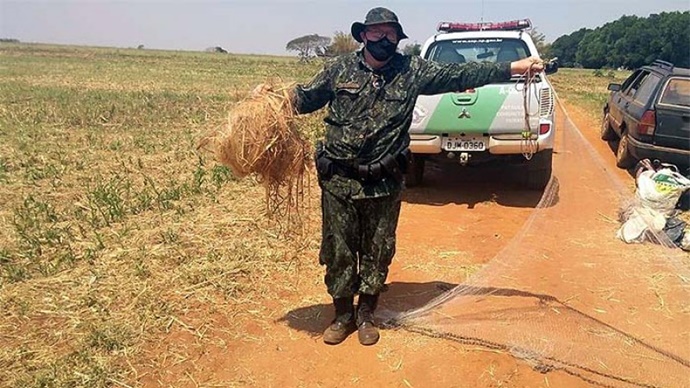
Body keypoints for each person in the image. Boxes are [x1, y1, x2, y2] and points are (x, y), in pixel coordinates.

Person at [290, 7, 544, 346]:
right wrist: (271, 101)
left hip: (384, 180)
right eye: (376, 33)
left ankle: (366, 313)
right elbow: (304, 100)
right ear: (363, 35)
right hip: (339, 180)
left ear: (398, 38)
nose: (383, 39)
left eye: (390, 34)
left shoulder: (412, 71)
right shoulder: (338, 70)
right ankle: (342, 315)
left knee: (378, 250)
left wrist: (513, 67)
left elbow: (461, 73)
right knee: (339, 250)